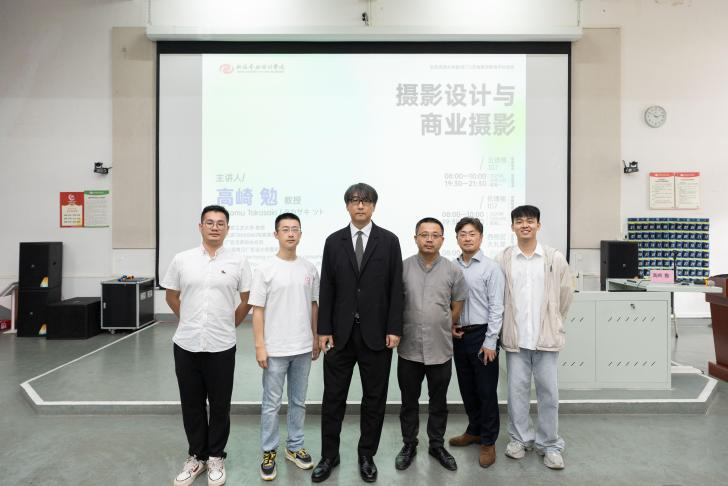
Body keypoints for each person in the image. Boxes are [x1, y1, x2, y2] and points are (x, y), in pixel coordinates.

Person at [312, 183, 404, 483]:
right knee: (333, 398)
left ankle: (367, 455)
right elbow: (327, 287)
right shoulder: (333, 241)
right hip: (339, 336)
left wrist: (394, 328)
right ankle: (329, 455)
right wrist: (323, 329)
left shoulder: (389, 241)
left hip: (377, 335)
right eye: (354, 200)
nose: (360, 205)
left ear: (374, 206)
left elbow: (395, 288)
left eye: (365, 201)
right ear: (347, 206)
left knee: (374, 399)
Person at [163, 205, 252, 486]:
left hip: (222, 345)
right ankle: (196, 457)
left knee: (220, 404)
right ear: (200, 226)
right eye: (209, 222)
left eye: (220, 223)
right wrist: (188, 319)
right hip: (186, 343)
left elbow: (246, 299)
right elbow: (171, 296)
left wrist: (229, 323)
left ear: (227, 228)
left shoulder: (239, 261)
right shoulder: (182, 259)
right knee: (191, 403)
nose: (215, 227)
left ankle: (215, 456)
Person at [496, 205, 574, 470]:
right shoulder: (503, 258)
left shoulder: (553, 258)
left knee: (549, 393)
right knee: (516, 392)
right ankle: (520, 439)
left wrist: (554, 321)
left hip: (545, 338)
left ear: (538, 225)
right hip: (516, 339)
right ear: (513, 227)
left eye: (530, 221)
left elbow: (565, 295)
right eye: (519, 221)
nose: (525, 225)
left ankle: (549, 444)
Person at [249, 213, 321, 481]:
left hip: (302, 347)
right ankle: (269, 451)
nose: (291, 233)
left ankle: (294, 446)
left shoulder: (309, 269)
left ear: (300, 234)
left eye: (295, 229)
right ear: (276, 234)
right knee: (271, 404)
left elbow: (314, 306)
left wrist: (315, 338)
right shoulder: (265, 269)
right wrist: (260, 345)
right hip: (275, 349)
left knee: (298, 401)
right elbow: (257, 310)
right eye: (285, 229)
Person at [394, 217, 467, 472]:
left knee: (439, 402)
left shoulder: (453, 271)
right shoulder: (402, 268)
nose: (429, 239)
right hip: (409, 349)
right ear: (415, 238)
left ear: (442, 240)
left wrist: (443, 323)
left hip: (440, 349)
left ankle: (436, 445)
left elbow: (457, 305)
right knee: (408, 402)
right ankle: (409, 444)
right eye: (424, 234)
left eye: (435, 235)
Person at [448, 217, 505, 468]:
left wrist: (491, 341)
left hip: (483, 336)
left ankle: (488, 441)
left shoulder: (491, 268)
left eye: (472, 233)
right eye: (462, 234)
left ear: (481, 237)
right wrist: (451, 325)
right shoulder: (451, 267)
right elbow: (448, 301)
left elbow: (497, 307)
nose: (467, 238)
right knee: (467, 388)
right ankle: (474, 430)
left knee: (486, 391)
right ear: (457, 238)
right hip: (459, 335)